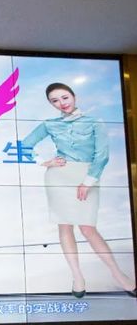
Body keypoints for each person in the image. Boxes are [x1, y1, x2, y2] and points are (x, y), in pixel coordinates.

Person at [22, 83, 135, 298]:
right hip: (58, 177)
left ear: (74, 96)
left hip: (87, 175)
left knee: (88, 228)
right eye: (55, 100)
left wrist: (88, 182)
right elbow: (25, 144)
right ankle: (77, 277)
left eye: (65, 97)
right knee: (64, 226)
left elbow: (102, 155)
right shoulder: (50, 124)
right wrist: (43, 162)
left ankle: (119, 275)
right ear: (51, 104)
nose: (61, 103)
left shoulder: (94, 122)